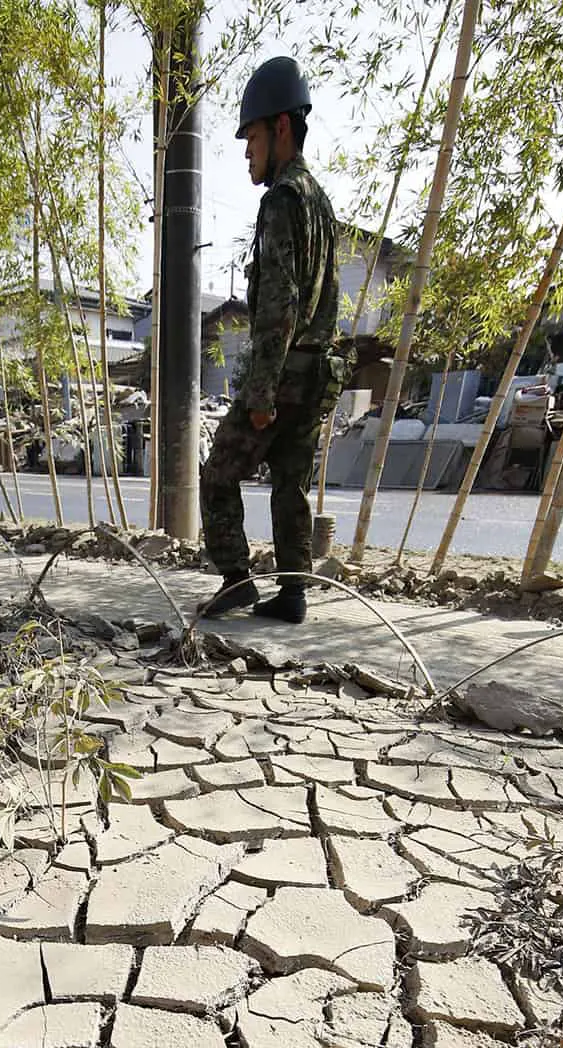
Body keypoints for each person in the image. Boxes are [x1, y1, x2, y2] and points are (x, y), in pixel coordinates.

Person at [200, 55, 340, 625]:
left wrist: (259, 394)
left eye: (252, 135)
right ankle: (293, 593)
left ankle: (237, 580)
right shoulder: (320, 201)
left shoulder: (282, 199)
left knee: (219, 473)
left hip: (282, 375)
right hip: (318, 371)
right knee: (290, 481)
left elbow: (278, 305)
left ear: (281, 126)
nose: (247, 150)